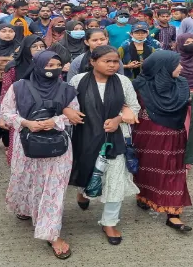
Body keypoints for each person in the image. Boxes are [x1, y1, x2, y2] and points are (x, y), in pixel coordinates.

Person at [0, 50, 78, 259]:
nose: (52, 69)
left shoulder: (67, 89)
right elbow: (5, 112)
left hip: (57, 147)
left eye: (56, 65)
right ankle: (26, 207)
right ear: (37, 65)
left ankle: (51, 233)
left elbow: (74, 115)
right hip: (27, 144)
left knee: (54, 189)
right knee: (28, 180)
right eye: (48, 65)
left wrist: (55, 121)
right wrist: (26, 123)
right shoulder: (19, 87)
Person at [68, 46, 141, 246]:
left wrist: (118, 119)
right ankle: (83, 192)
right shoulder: (78, 80)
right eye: (106, 61)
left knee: (115, 179)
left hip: (116, 138)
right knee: (88, 172)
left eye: (115, 62)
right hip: (85, 136)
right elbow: (68, 104)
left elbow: (134, 107)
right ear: (92, 61)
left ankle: (109, 222)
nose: (112, 65)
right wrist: (69, 112)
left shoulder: (124, 81)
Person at [131, 50, 192, 232]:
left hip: (175, 136)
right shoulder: (139, 85)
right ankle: (144, 197)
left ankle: (173, 214)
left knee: (173, 172)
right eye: (177, 64)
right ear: (163, 67)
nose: (181, 67)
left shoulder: (181, 84)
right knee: (146, 171)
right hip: (146, 137)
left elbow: (187, 103)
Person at [0, 35, 47, 160]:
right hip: (20, 113)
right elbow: (5, 92)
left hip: (46, 111)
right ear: (26, 48)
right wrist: (2, 117)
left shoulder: (50, 64)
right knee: (20, 147)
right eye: (34, 46)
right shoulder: (13, 67)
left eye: (42, 46)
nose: (39, 49)